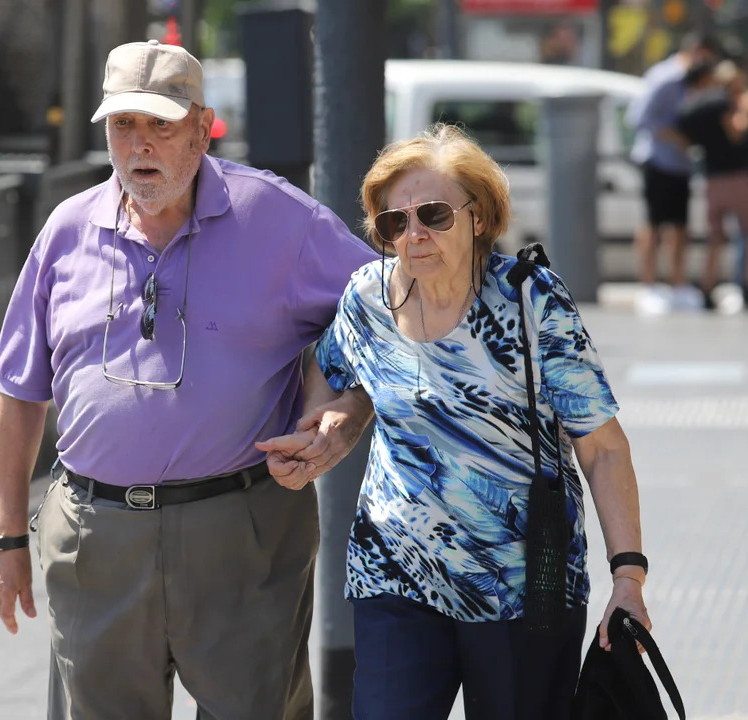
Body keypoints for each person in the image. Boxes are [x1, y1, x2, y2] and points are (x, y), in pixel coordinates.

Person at [0, 40, 376, 719]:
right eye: (123, 125)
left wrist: (340, 410)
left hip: (243, 534)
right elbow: (19, 393)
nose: (140, 145)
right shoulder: (67, 230)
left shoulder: (280, 219)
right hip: (95, 539)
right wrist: (7, 538)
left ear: (202, 127)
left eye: (161, 124)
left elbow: (383, 313)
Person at [259, 124, 650, 719]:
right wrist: (327, 423)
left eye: (434, 214)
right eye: (396, 222)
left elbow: (602, 448)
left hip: (522, 585)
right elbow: (336, 370)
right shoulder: (367, 296)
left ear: (478, 216)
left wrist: (629, 575)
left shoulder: (530, 301)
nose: (414, 234)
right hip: (396, 570)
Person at [625, 32, 719, 314]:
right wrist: (675, 137)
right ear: (696, 52)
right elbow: (638, 117)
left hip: (680, 164)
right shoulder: (665, 78)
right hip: (658, 161)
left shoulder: (694, 80)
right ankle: (649, 286)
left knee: (679, 225)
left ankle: (676, 285)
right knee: (653, 224)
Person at [676, 59, 748, 311]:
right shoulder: (726, 104)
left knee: (715, 237)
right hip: (736, 177)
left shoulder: (700, 105)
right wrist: (745, 110)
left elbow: (683, 134)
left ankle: (708, 286)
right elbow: (737, 132)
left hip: (712, 179)